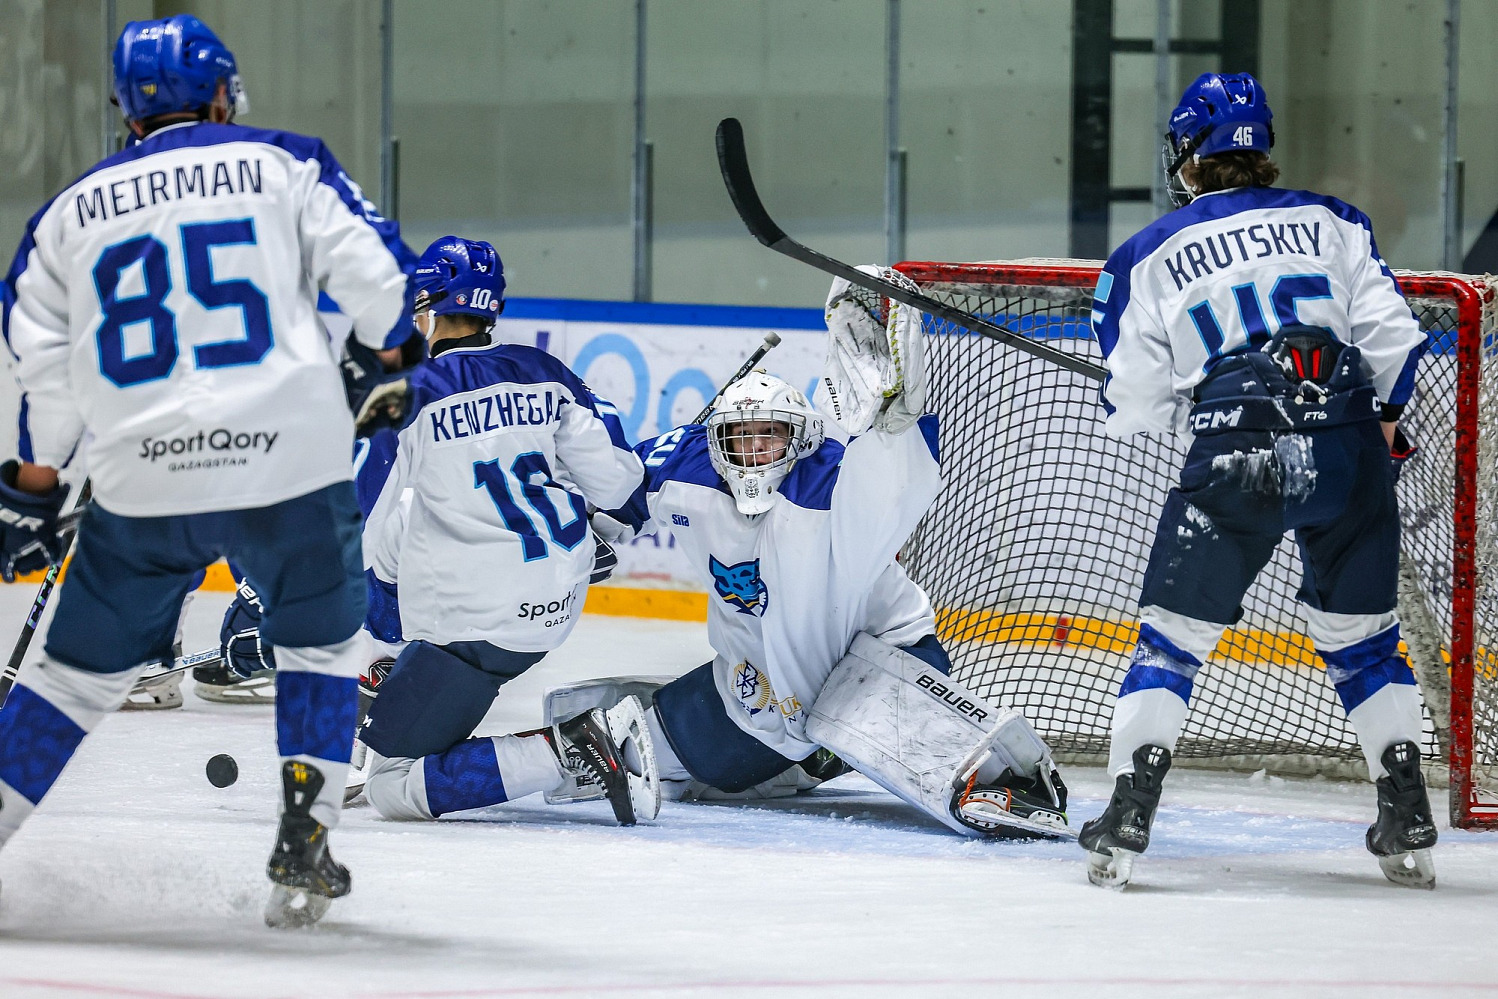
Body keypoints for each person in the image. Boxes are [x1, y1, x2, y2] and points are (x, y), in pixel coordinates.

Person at [0, 15, 417, 926]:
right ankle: (305, 831)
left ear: (128, 113)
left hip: (144, 478)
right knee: (319, 647)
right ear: (223, 95)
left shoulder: (65, 213)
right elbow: (387, 285)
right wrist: (384, 362)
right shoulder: (285, 162)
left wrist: (35, 488)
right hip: (288, 463)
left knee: (69, 682)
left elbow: (40, 370)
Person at [1082, 72, 1435, 888]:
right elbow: (1394, 341)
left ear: (1189, 157)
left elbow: (1134, 401)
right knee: (1366, 641)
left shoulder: (1147, 252)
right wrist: (1381, 418)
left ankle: (1129, 812)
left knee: (1172, 642)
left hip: (1239, 447)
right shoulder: (1334, 220)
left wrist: (1188, 404)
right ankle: (1407, 808)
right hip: (1348, 446)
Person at [570, 268, 1072, 839]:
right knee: (660, 765)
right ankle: (813, 758)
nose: (754, 453)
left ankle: (886, 759)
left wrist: (892, 436)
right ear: (716, 443)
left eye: (771, 436)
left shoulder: (829, 483)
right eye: (741, 438)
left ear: (802, 439)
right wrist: (598, 524)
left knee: (850, 741)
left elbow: (890, 484)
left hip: (880, 658)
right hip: (756, 682)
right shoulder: (687, 467)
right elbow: (625, 481)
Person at [346, 235, 657, 825]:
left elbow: (356, 522)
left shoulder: (407, 393)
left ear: (428, 308)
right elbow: (618, 484)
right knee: (407, 527)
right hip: (553, 606)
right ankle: (388, 670)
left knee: (392, 784)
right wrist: (594, 521)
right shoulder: (543, 371)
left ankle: (572, 747)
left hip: (471, 624)